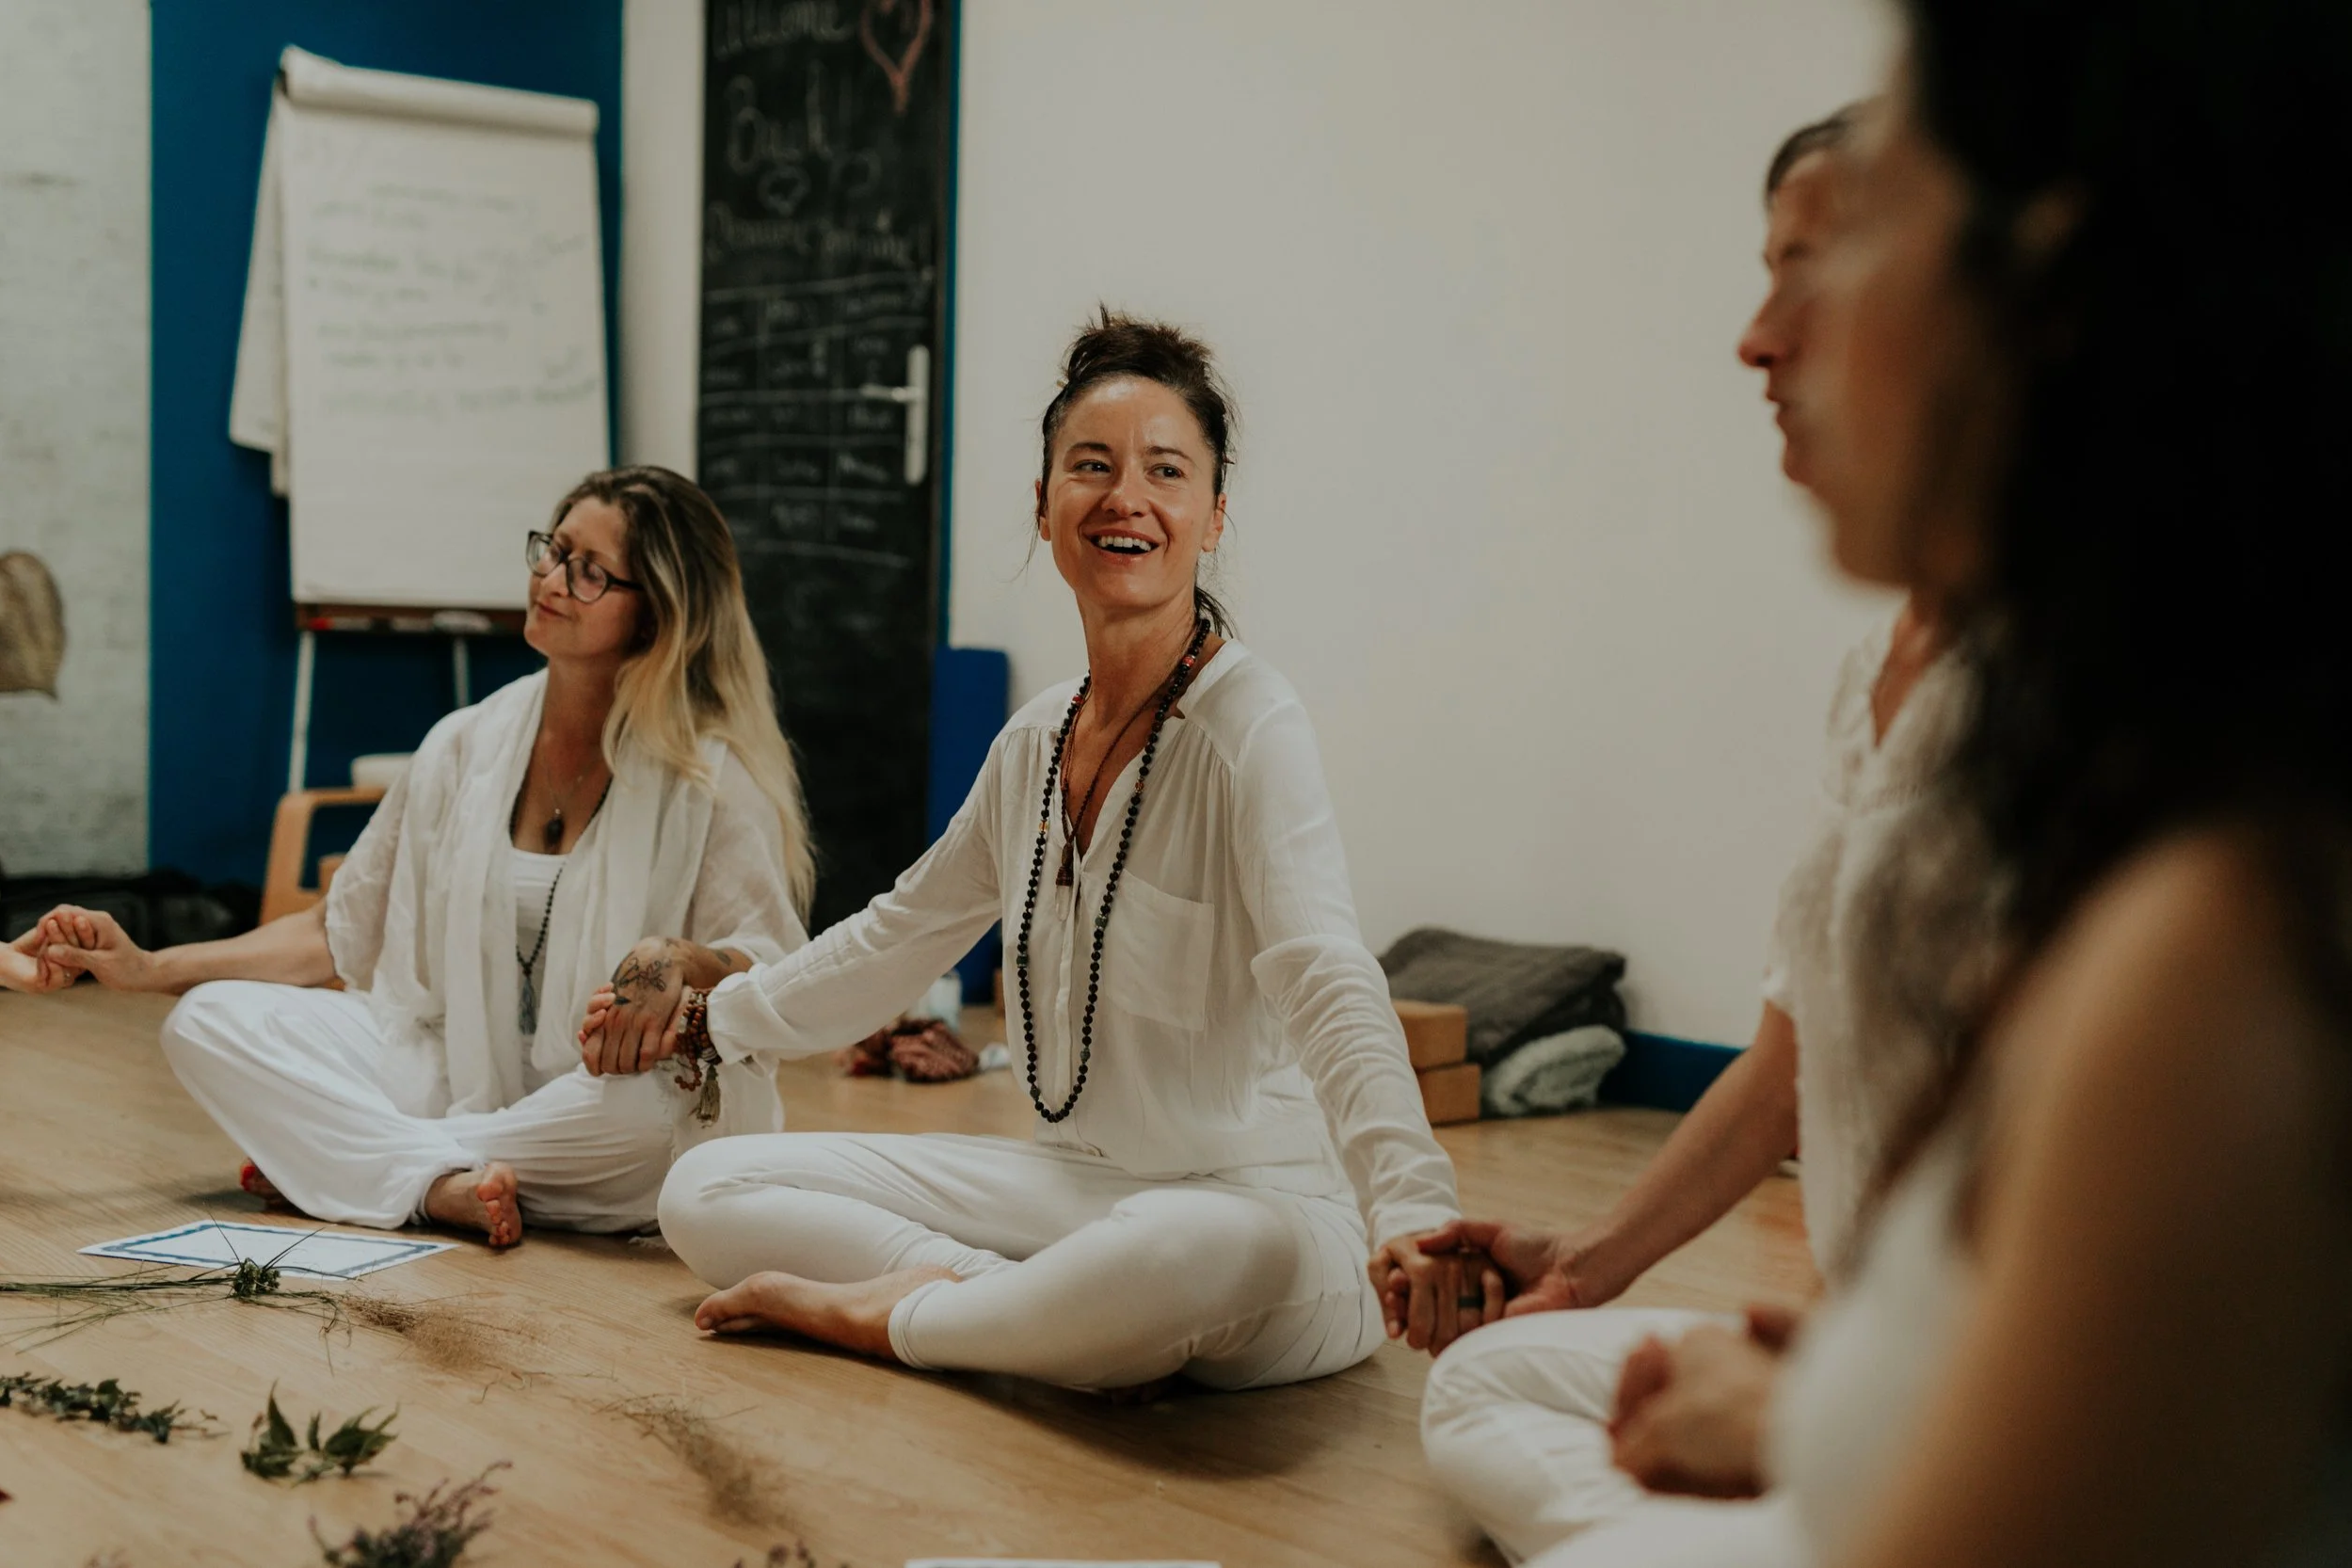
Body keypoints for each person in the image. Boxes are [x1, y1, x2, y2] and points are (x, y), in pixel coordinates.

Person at [1539, 2, 2352, 1563]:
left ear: (2055, 287)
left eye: (1859, 236)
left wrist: (1812, 1419)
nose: (1761, 339)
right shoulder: (2126, 788)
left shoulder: (2217, 951)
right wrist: (1779, 1366)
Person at [588, 312, 1477, 1394]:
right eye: (1090, 466)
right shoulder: (1034, 741)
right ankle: (1019, 1310)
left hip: (1264, 1213)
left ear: (1212, 515)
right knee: (707, 1189)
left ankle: (914, 1317)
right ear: (1045, 504)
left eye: (1165, 470)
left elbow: (1327, 978)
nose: (1125, 497)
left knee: (1176, 1252)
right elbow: (899, 935)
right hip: (1075, 1192)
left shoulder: (1252, 724)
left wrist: (1415, 1209)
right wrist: (712, 1019)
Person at [1412, 105, 1987, 1564]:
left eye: (1816, 273)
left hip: (2012, 1429)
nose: (1755, 338)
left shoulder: (2093, 715)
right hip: (1875, 1374)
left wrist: (1821, 1415)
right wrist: (1584, 1259)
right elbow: (1790, 1066)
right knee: (1491, 1374)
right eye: (1766, 271)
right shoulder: (1873, 678)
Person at [36, 467, 813, 1247]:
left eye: (589, 572)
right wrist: (148, 968)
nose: (550, 579)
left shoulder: (710, 777)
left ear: (657, 617)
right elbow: (335, 933)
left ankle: (375, 1165)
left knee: (666, 1108)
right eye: (552, 550)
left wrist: (678, 957)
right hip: (462, 1070)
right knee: (208, 1023)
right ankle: (432, 1180)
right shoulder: (464, 744)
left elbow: (774, 967)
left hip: (600, 1103)